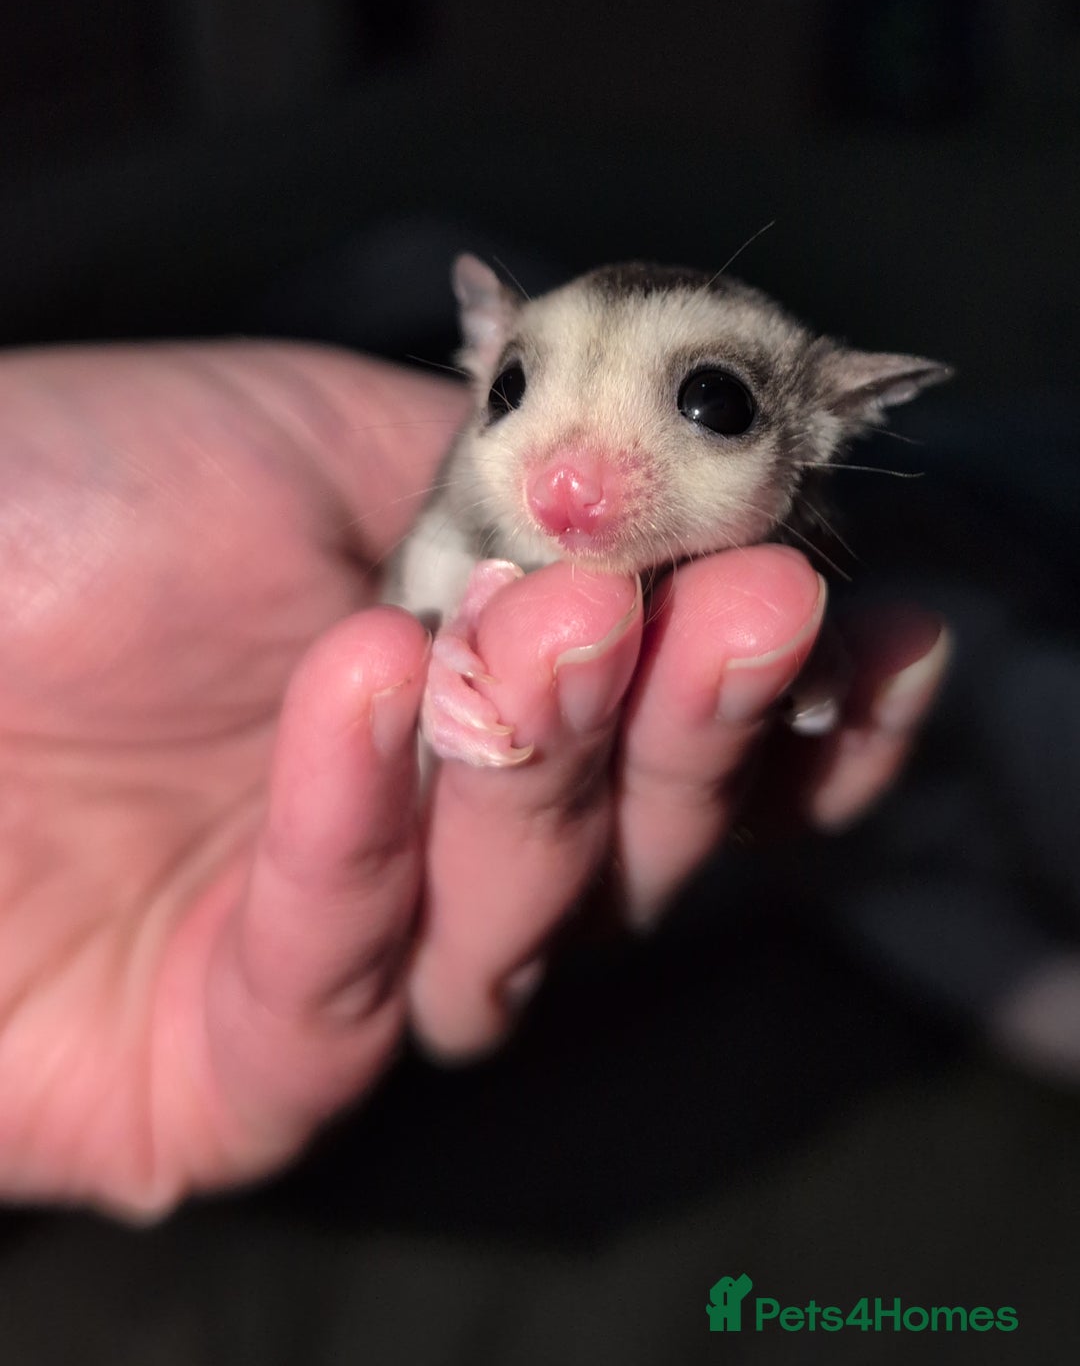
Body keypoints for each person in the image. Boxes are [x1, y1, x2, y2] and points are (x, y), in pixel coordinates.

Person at [0, 339, 948, 1217]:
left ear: (830, 416)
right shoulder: (463, 529)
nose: (569, 478)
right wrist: (447, 656)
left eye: (711, 403)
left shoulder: (780, 540)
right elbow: (436, 594)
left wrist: (812, 679)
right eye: (514, 391)